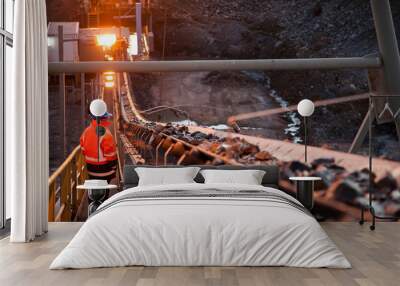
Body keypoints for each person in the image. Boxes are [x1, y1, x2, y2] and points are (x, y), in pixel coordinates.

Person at [80, 100, 118, 191]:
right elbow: (111, 156)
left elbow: (83, 150)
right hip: (104, 171)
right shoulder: (106, 134)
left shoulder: (86, 132)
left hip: (91, 169)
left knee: (93, 191)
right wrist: (114, 169)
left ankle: (92, 203)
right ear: (104, 119)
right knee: (104, 193)